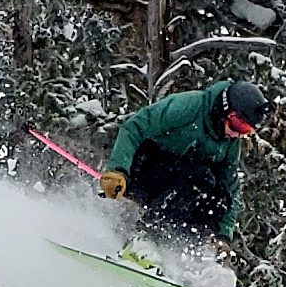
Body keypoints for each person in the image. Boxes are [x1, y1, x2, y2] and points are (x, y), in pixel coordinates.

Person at [97, 78, 266, 274]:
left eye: (245, 130)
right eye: (237, 124)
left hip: (176, 189)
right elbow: (135, 126)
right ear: (224, 109)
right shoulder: (189, 106)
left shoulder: (229, 142)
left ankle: (188, 258)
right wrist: (118, 170)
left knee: (219, 199)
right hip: (143, 168)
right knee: (201, 180)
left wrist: (222, 236)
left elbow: (231, 187)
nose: (237, 134)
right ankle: (143, 239)